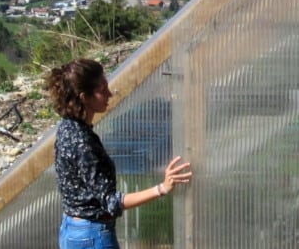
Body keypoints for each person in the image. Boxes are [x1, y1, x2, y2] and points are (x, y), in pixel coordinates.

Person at [47, 58, 192, 249]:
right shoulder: (82, 141)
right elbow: (111, 202)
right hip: (92, 235)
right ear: (84, 97)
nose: (109, 94)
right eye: (101, 90)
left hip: (72, 229)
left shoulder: (67, 128)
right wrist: (162, 188)